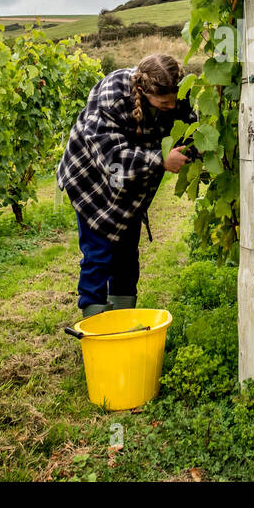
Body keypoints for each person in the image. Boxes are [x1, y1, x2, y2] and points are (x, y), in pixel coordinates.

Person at [57, 53, 194, 317]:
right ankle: (97, 330)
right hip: (92, 180)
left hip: (131, 186)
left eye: (173, 101)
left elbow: (191, 129)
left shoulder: (176, 96)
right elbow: (112, 160)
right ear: (143, 91)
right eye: (164, 102)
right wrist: (161, 158)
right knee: (98, 254)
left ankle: (121, 326)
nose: (171, 106)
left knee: (127, 257)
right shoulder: (113, 93)